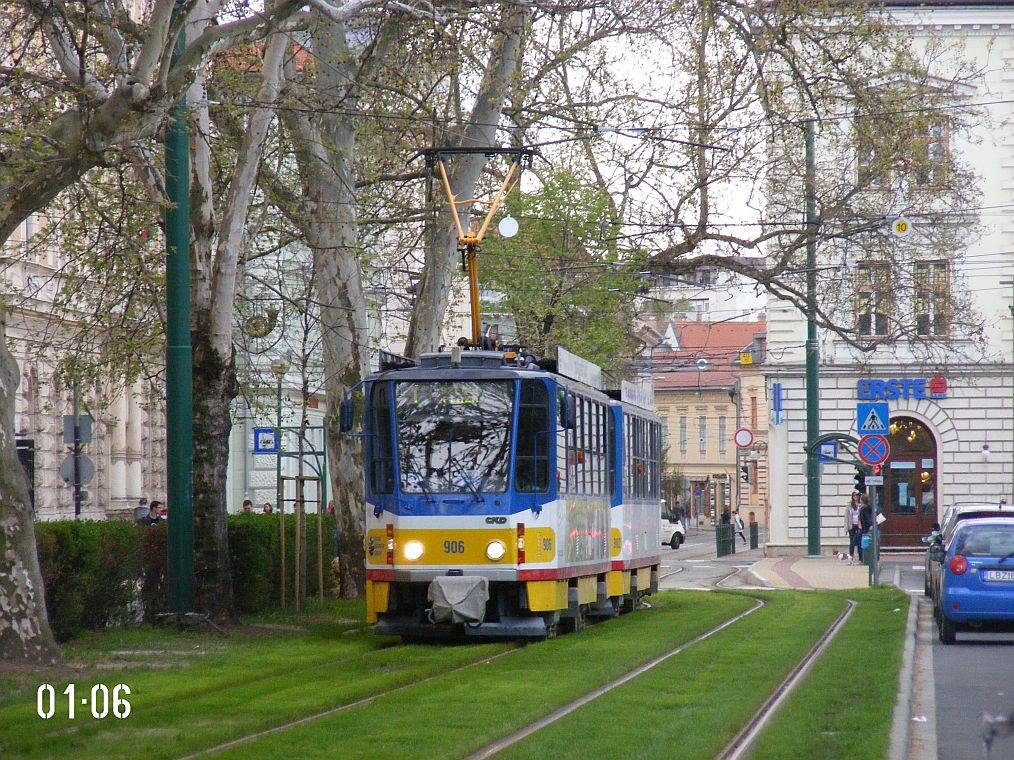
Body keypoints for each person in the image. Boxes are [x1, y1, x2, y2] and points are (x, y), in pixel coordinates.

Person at [845, 491, 863, 564]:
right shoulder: (849, 505)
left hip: (859, 525)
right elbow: (846, 517)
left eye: (856, 495)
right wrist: (846, 528)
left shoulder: (861, 505)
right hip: (851, 525)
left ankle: (861, 558)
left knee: (859, 542)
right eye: (854, 495)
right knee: (852, 542)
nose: (855, 497)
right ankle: (851, 558)